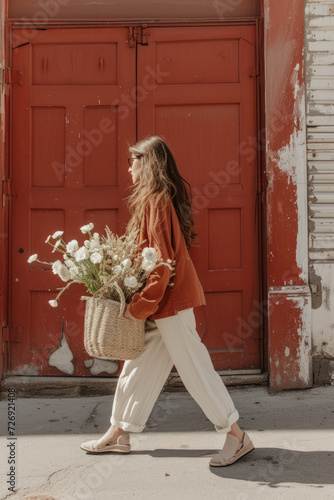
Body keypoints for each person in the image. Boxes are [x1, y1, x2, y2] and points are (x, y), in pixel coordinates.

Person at [80, 136, 255, 466]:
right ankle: (119, 433)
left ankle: (237, 436)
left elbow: (162, 260)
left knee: (195, 369)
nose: (128, 168)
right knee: (137, 366)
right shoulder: (153, 199)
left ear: (145, 163)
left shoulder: (157, 200)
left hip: (169, 302)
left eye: (132, 161)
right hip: (163, 303)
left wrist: (142, 304)